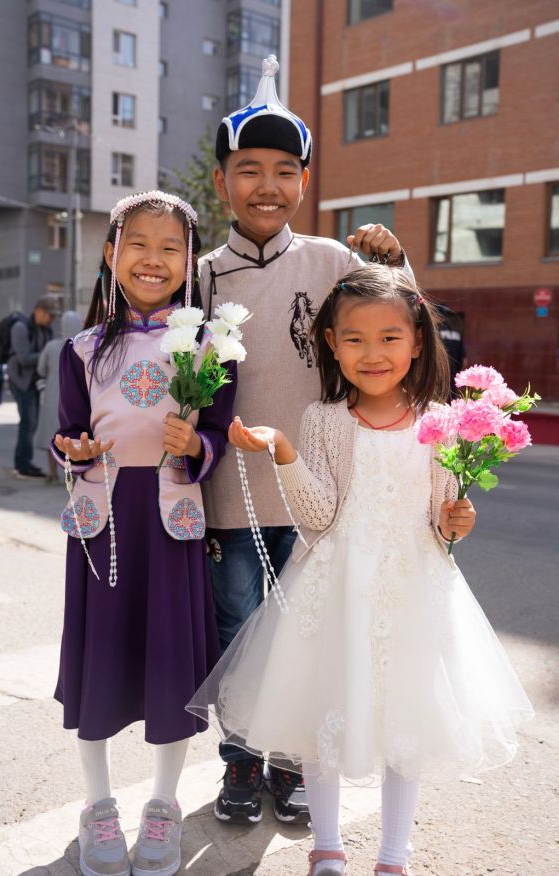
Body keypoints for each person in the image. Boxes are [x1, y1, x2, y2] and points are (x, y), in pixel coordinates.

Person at [190, 264, 534, 875]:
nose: (372, 353)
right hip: (334, 588)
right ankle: (327, 848)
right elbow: (318, 516)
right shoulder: (324, 420)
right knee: (322, 716)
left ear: (418, 342)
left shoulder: (440, 423)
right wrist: (285, 452)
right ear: (331, 344)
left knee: (406, 722)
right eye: (355, 339)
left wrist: (458, 519)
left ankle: (393, 855)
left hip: (412, 589)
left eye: (389, 338)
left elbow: (440, 519)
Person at [198, 54, 414, 825]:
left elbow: (403, 326)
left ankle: (290, 767)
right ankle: (239, 762)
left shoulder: (332, 261)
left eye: (284, 170)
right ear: (221, 182)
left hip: (321, 489)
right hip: (228, 493)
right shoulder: (199, 278)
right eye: (247, 169)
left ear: (303, 182)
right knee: (237, 630)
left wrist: (394, 260)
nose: (266, 185)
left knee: (305, 637)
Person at [51, 190, 236, 876]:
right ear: (110, 254)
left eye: (171, 248)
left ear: (190, 263)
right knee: (99, 661)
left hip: (172, 525)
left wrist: (196, 443)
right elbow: (67, 432)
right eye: (138, 244)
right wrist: (71, 448)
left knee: (170, 666)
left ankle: (163, 805)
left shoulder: (212, 348)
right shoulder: (82, 349)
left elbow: (215, 433)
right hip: (103, 532)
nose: (153, 259)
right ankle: (97, 804)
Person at [7, 296, 56, 477]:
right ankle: (22, 465)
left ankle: (24, 462)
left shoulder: (47, 329)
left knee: (31, 422)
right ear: (39, 311)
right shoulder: (20, 328)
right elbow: (24, 358)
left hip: (35, 380)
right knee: (28, 422)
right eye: (50, 315)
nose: (53, 320)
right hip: (20, 380)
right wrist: (48, 353)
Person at [34, 310, 83, 482]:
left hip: (53, 394)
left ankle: (52, 473)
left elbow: (40, 369)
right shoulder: (85, 345)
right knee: (75, 435)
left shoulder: (51, 346)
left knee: (51, 433)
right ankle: (75, 474)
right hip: (78, 394)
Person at [435, 303, 466, 398]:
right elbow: (464, 361)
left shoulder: (433, 331)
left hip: (435, 379)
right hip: (452, 379)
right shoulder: (456, 332)